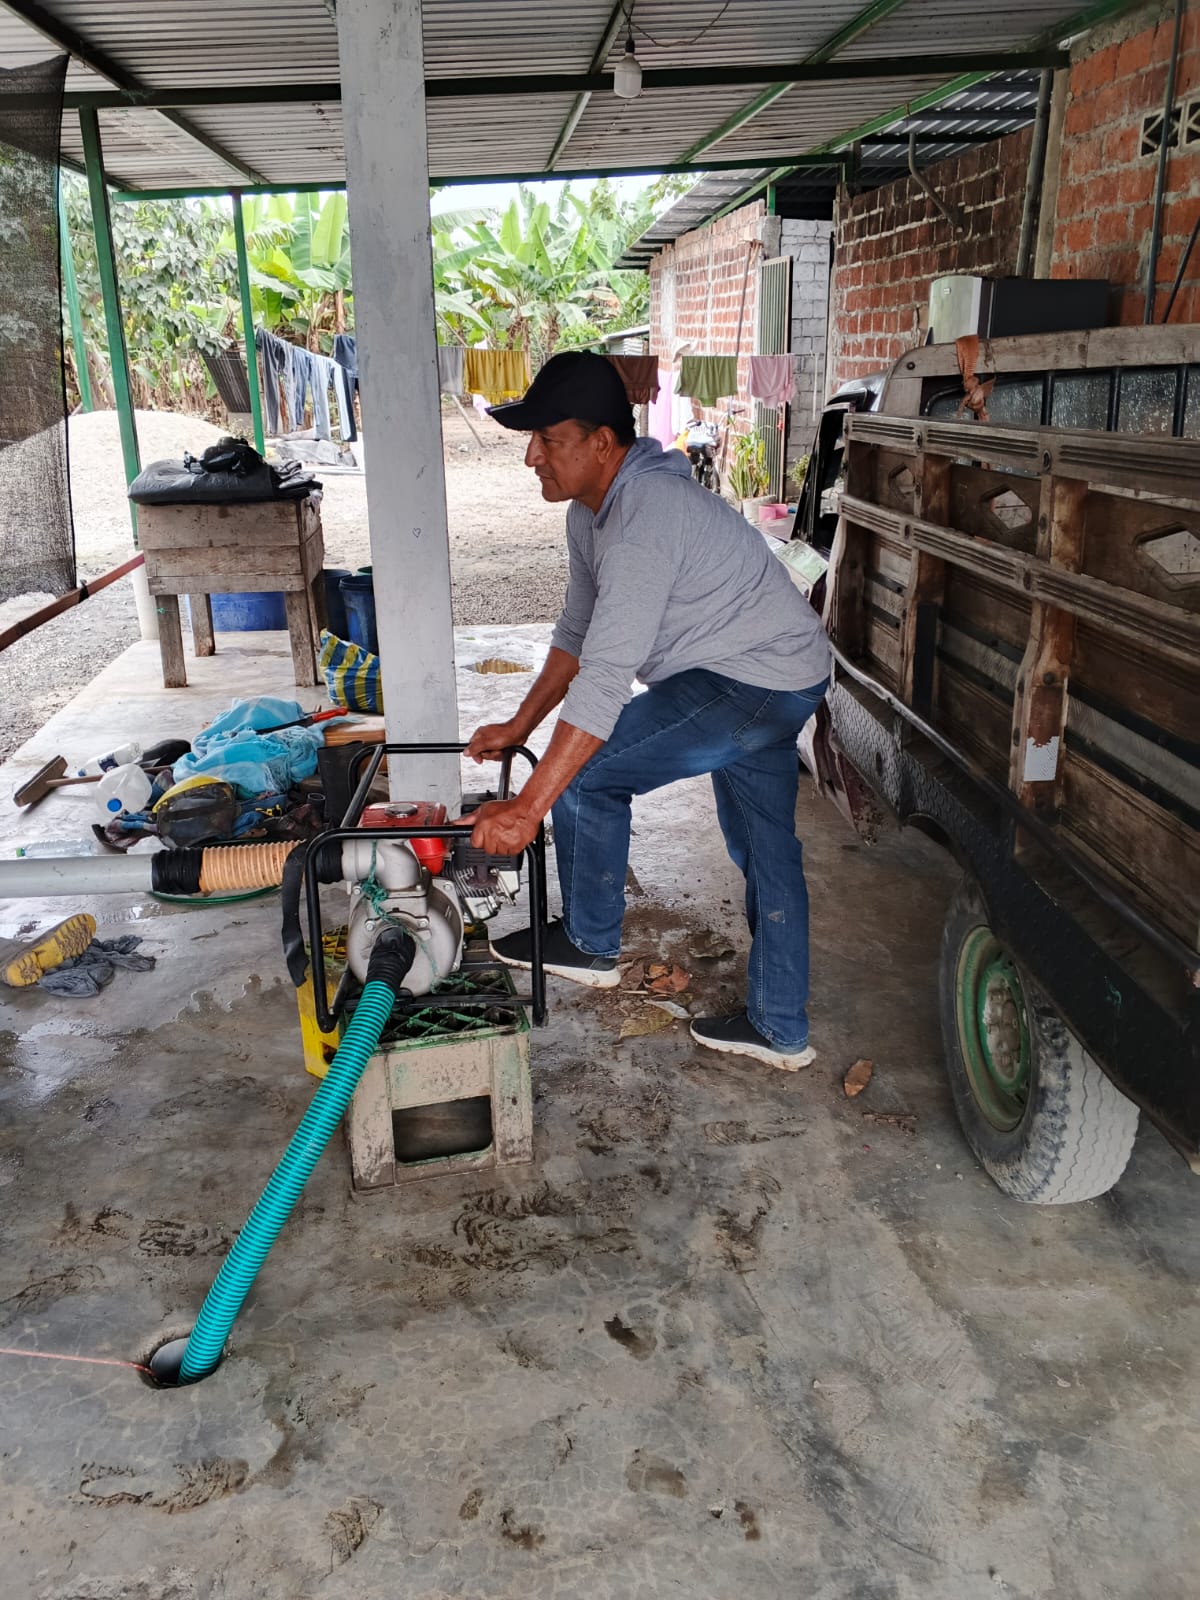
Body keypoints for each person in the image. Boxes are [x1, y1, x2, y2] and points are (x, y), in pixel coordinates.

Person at [462, 351, 831, 1070]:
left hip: (751, 681)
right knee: (767, 849)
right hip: (783, 674)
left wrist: (530, 807)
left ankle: (590, 942)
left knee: (586, 771)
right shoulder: (590, 514)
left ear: (602, 443)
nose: (532, 456)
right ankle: (781, 1026)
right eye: (532, 439)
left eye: (549, 440)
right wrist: (519, 726)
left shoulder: (645, 516)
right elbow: (577, 633)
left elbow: (604, 680)